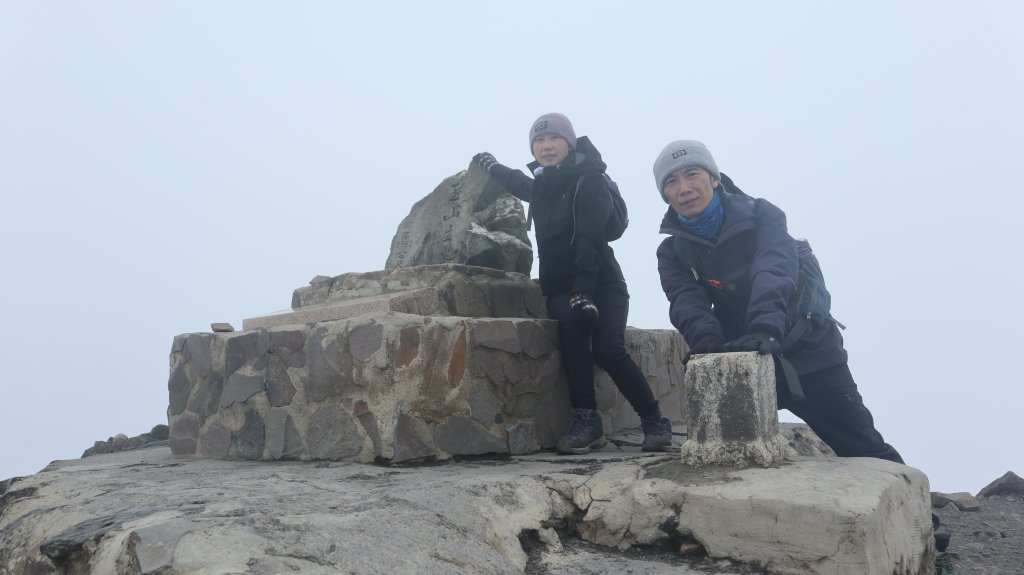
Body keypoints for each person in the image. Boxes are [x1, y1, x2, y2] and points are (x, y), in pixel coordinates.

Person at [653, 140, 903, 463]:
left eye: (692, 174)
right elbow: (685, 300)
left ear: (714, 178)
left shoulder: (762, 216)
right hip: (743, 357)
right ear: (665, 195)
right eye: (671, 182)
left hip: (810, 352)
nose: (683, 188)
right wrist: (707, 341)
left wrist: (765, 328)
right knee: (729, 456)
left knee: (862, 446)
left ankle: (918, 513)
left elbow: (774, 270)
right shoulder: (672, 252)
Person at [472, 113, 673, 454]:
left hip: (602, 282)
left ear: (569, 143)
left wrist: (584, 289)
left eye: (554, 139)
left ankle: (655, 421)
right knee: (573, 337)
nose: (546, 146)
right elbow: (521, 184)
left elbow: (589, 238)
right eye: (539, 141)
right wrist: (493, 167)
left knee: (609, 349)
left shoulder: (589, 179)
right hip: (562, 287)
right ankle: (586, 420)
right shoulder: (542, 184)